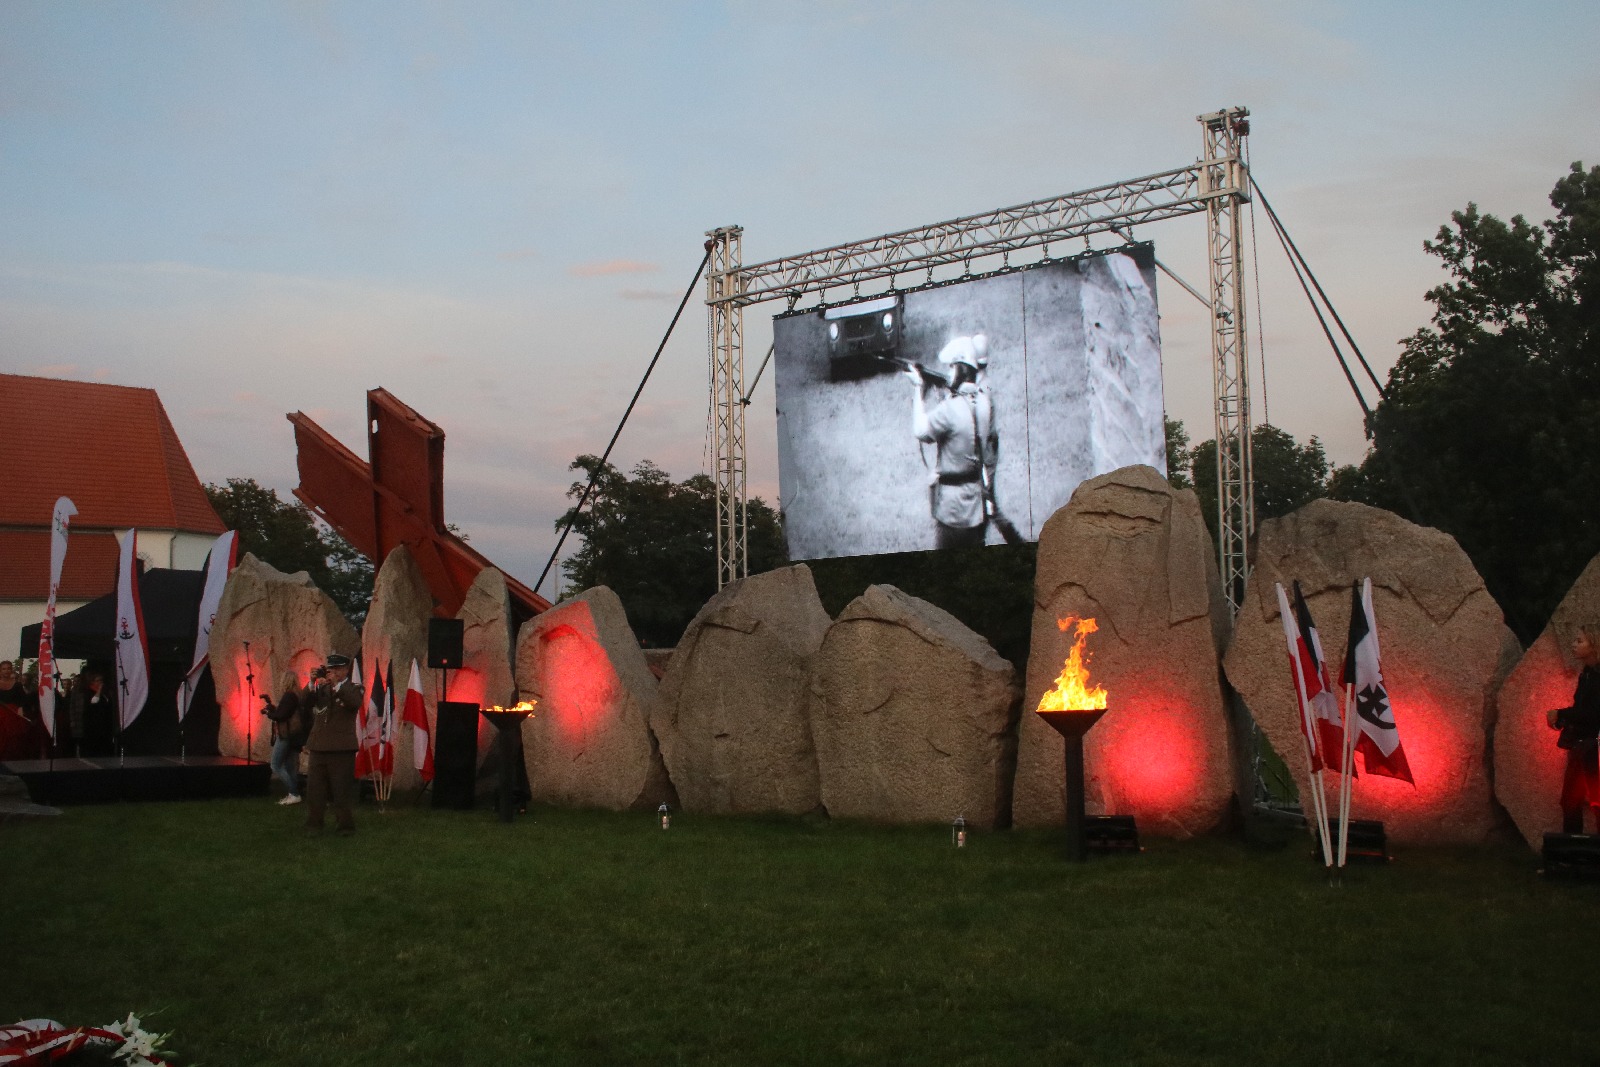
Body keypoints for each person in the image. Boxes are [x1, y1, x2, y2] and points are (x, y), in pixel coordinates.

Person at [904, 334, 999, 549]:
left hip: (953, 511)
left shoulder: (950, 410)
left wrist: (918, 389)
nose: (948, 372)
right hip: (976, 505)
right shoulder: (983, 401)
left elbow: (920, 430)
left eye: (951, 367)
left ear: (959, 369)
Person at [1548, 622, 1600, 833]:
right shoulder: (1587, 673)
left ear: (1594, 644)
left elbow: (1592, 713)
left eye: (1580, 641)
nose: (1573, 645)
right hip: (1582, 745)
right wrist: (1563, 719)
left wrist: (1560, 714)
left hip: (1594, 748)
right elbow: (1583, 709)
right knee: (1570, 800)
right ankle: (1571, 857)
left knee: (1596, 802)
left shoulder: (1596, 676)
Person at [303, 653, 363, 835]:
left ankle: (344, 825)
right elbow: (305, 702)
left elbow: (354, 703)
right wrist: (312, 683)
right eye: (330, 669)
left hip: (341, 747)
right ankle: (314, 824)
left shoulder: (355, 688)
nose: (332, 672)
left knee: (341, 789)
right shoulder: (322, 688)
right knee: (315, 789)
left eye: (336, 669)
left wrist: (337, 685)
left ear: (345, 670)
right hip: (319, 745)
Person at [262, 670, 306, 805]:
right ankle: (292, 795)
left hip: (286, 734)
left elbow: (282, 715)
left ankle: (294, 792)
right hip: (295, 735)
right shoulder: (298, 696)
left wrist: (270, 714)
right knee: (289, 766)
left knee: (275, 765)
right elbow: (285, 712)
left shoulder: (289, 696)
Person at [0, 660, 41, 761]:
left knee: (14, 740)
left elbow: (22, 702)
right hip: (1, 715)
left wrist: (20, 711)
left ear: (12, 669)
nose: (6, 671)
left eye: (8, 668)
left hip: (13, 715)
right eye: (4, 669)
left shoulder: (17, 685)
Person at [75, 670, 116, 758]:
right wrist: (99, 690)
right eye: (98, 680)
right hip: (93, 724)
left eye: (101, 680)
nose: (100, 682)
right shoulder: (89, 692)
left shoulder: (105, 693)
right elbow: (94, 701)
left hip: (103, 723)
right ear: (93, 681)